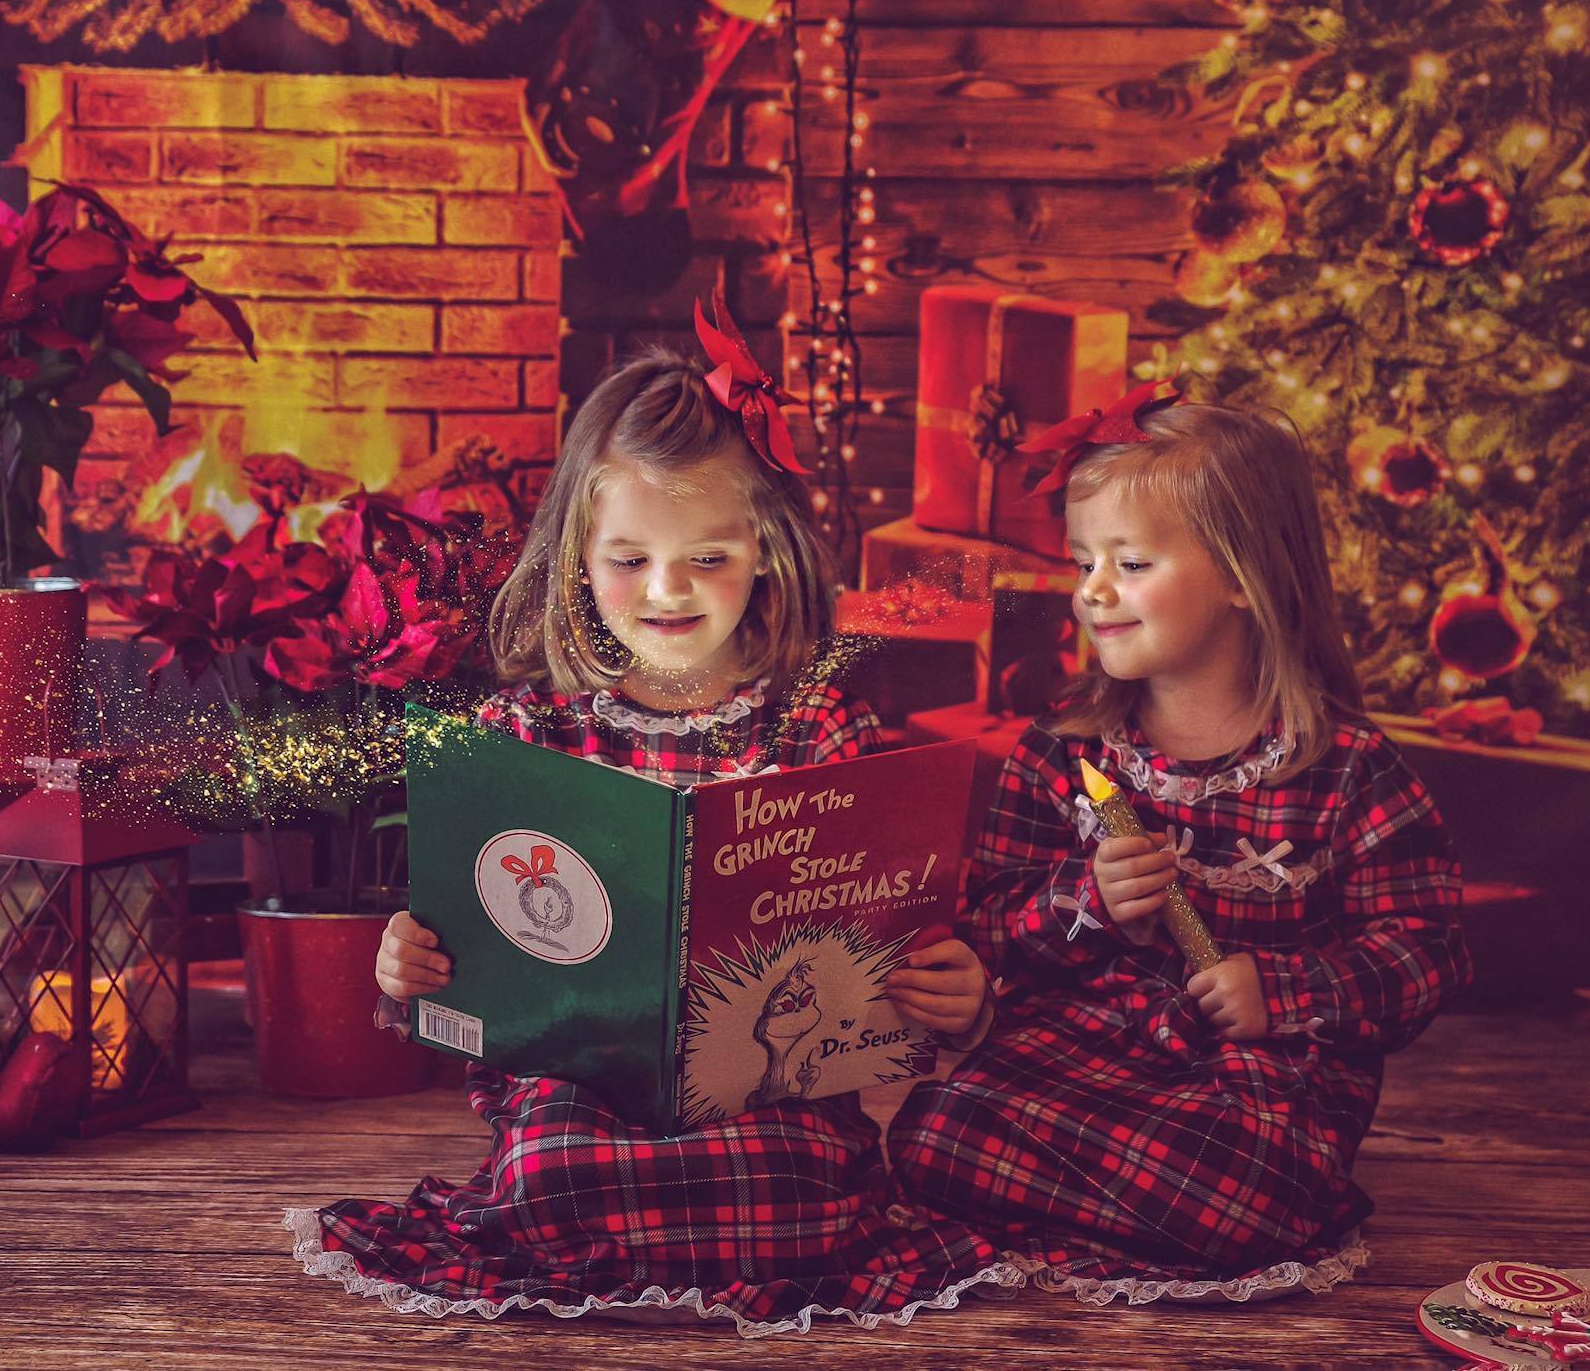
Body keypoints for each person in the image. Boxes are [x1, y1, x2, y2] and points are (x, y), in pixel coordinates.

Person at [287, 309, 998, 1333]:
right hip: (580, 1079)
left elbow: (882, 929)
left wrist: (947, 984)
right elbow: (459, 952)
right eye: (629, 560)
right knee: (550, 1173)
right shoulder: (525, 728)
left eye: (706, 558)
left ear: (767, 553)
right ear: (577, 551)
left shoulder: (815, 720)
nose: (665, 591)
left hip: (769, 1082)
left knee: (789, 1191)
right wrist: (406, 963)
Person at [887, 389, 1472, 1304]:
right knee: (934, 1132)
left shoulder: (1348, 768)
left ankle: (1146, 1208)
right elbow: (989, 924)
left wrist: (1278, 991)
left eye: (1131, 561)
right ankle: (1142, 1209)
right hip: (1087, 1052)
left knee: (1239, 1185)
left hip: (1258, 1080)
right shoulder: (1063, 752)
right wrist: (1085, 898)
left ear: (1242, 575)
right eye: (1084, 562)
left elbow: (1426, 953)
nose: (1092, 591)